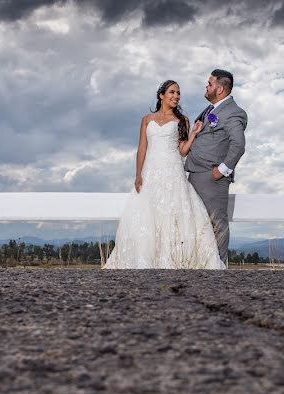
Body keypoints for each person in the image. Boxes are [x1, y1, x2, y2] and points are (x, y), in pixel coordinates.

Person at [103, 80, 225, 269]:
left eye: (178, 93)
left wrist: (193, 133)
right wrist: (138, 174)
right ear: (161, 95)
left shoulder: (182, 120)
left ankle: (175, 257)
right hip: (151, 171)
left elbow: (183, 151)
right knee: (147, 213)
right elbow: (142, 148)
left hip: (172, 170)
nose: (176, 96)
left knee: (173, 212)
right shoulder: (147, 119)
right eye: (172, 92)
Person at [184, 69, 248, 263]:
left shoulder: (233, 112)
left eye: (209, 84)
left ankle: (218, 271)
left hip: (211, 179)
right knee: (197, 224)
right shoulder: (211, 110)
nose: (207, 86)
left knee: (216, 224)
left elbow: (238, 144)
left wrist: (221, 171)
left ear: (220, 89)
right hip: (195, 174)